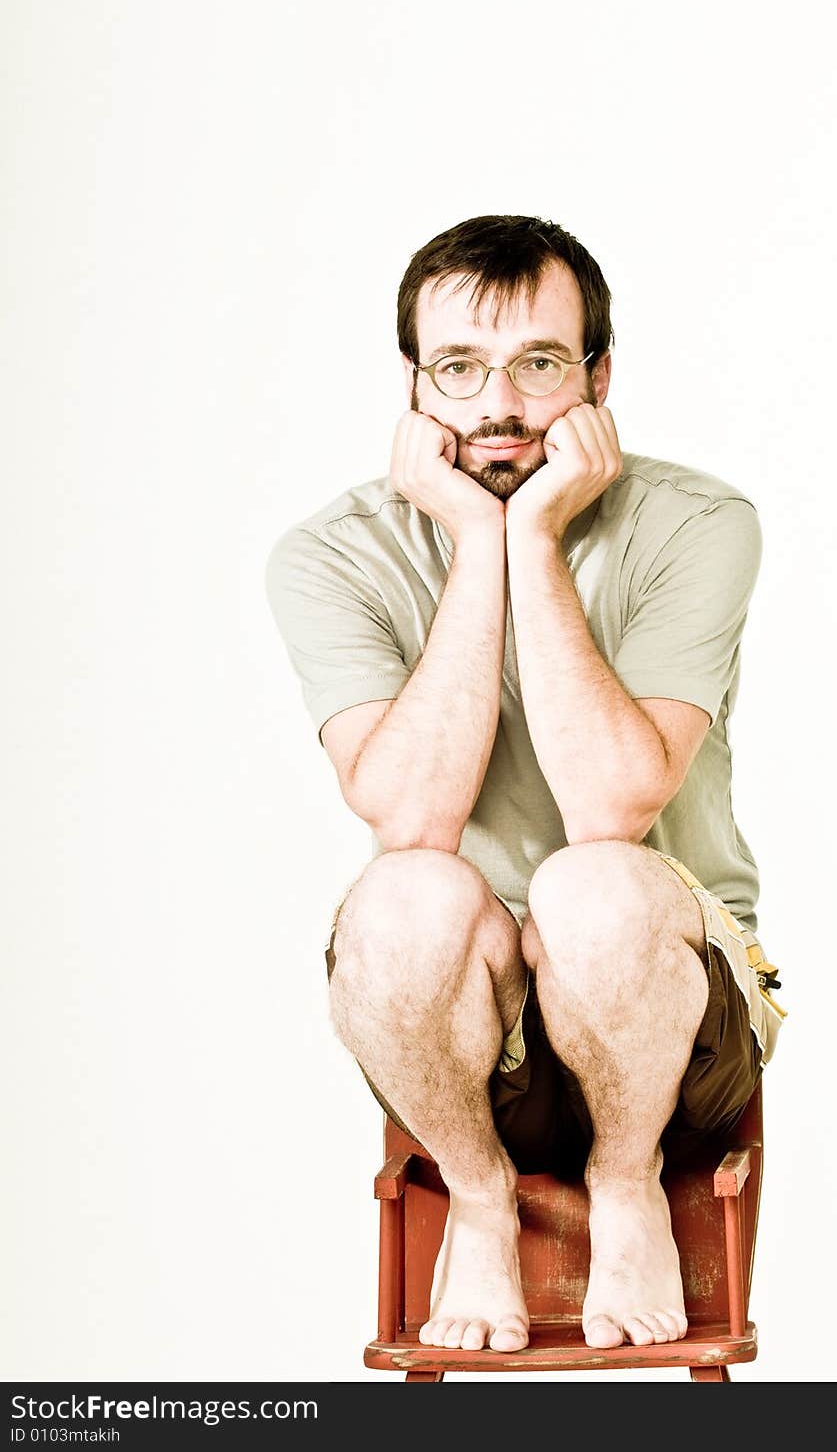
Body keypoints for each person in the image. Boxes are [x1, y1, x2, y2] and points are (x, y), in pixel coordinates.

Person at [265, 214, 785, 1354]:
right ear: (414, 387)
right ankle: (480, 1196)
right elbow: (408, 815)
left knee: (592, 877)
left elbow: (613, 806)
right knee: (402, 890)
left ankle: (627, 1175)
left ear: (599, 376)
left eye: (540, 364)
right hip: (460, 1034)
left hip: (669, 1013)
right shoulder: (332, 553)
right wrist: (471, 541)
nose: (496, 403)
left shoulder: (700, 524)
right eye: (458, 368)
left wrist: (534, 540)